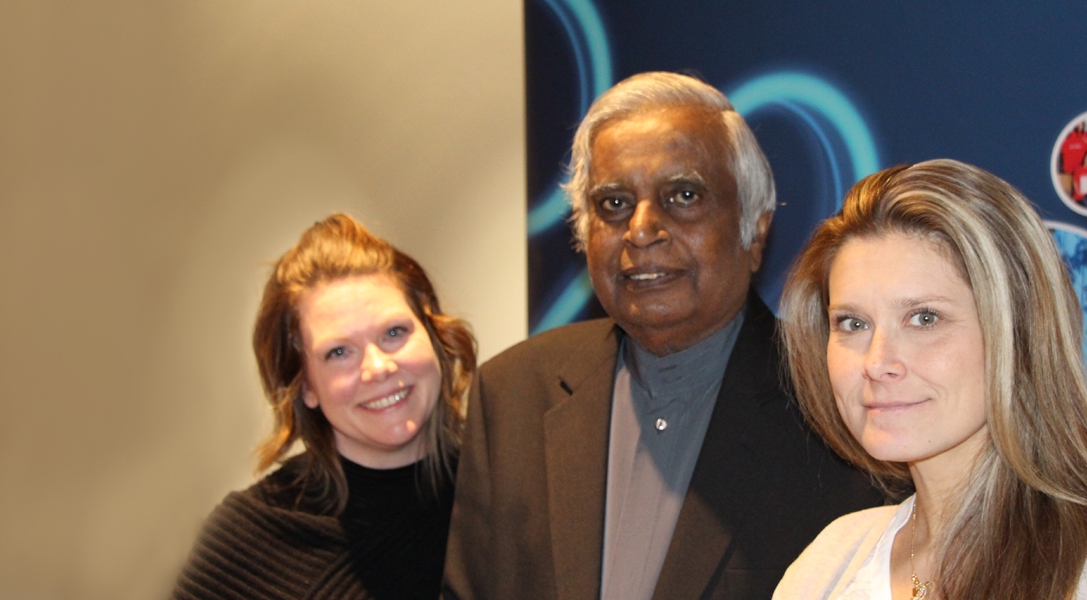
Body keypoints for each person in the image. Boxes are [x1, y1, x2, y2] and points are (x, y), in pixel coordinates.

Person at [444, 71, 883, 600]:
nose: (641, 229)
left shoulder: (841, 407)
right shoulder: (512, 394)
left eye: (684, 195)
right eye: (613, 204)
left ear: (755, 228)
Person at [775, 159, 1087, 599]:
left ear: (1018, 332)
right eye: (852, 323)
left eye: (924, 318)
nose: (877, 361)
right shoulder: (831, 562)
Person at [173, 214, 476, 600]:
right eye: (338, 352)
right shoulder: (248, 544)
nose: (378, 368)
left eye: (394, 332)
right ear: (306, 386)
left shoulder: (508, 493)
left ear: (436, 338)